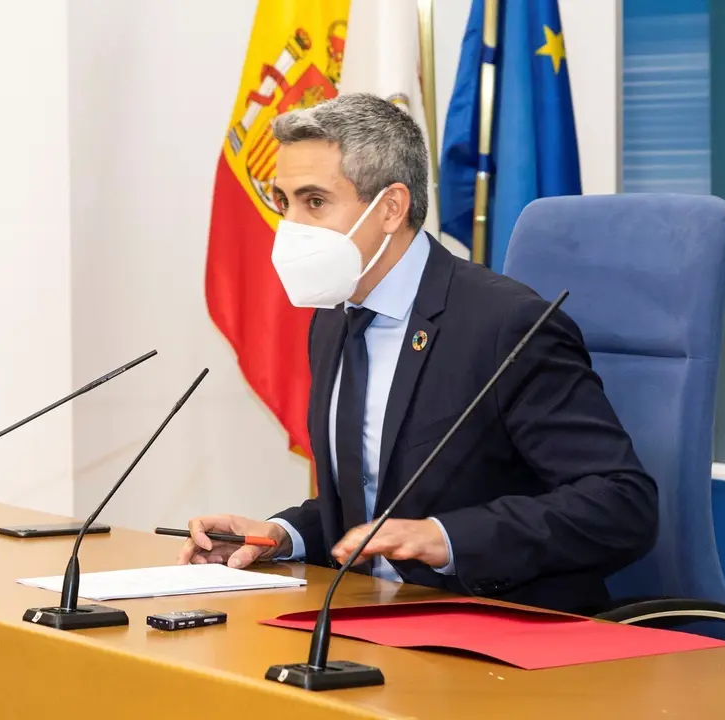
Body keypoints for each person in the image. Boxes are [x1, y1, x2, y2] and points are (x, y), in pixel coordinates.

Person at [179, 93, 658, 613]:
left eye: (313, 202)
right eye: (283, 201)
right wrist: (281, 534)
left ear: (390, 208)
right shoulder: (334, 319)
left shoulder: (506, 325)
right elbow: (377, 505)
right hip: (372, 618)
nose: (289, 226)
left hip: (496, 628)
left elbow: (621, 504)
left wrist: (448, 538)